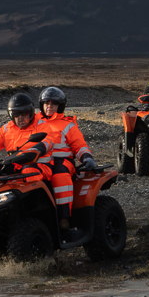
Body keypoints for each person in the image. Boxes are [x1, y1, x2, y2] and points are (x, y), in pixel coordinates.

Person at [38, 86, 96, 237]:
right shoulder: (34, 123)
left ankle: (64, 219)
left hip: (62, 160)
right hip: (39, 160)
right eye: (46, 103)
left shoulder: (68, 124)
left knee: (60, 177)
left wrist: (87, 157)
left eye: (53, 103)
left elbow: (79, 145)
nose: (49, 106)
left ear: (60, 106)